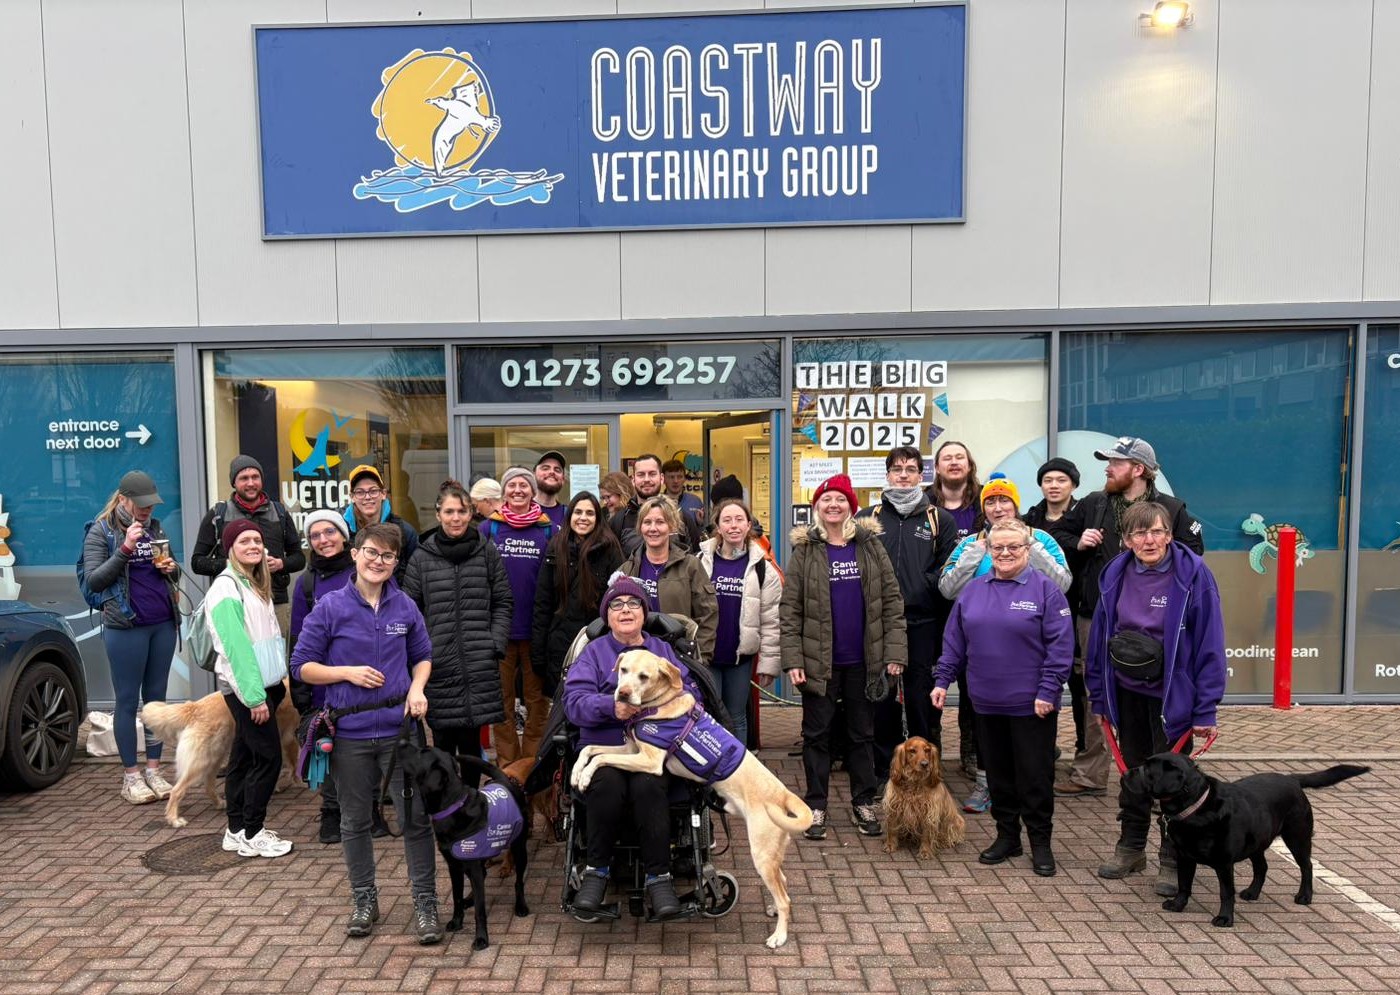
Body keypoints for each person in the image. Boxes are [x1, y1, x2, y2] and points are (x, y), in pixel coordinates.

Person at [290, 524, 440, 942]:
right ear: (355, 554)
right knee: (354, 821)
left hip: (399, 732)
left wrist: (416, 688)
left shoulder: (405, 606)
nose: (378, 562)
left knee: (415, 820)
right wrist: (345, 673)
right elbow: (301, 664)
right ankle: (364, 899)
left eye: (388, 556)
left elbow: (423, 656)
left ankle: (426, 904)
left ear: (395, 563)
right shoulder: (330, 607)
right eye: (372, 553)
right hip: (350, 732)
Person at [1086, 501, 1226, 898]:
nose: (1150, 540)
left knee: (1173, 783)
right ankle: (1130, 848)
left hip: (1174, 699)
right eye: (1140, 534)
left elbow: (1210, 645)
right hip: (1126, 694)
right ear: (1127, 540)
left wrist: (1206, 708)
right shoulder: (1115, 574)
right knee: (1133, 774)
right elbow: (1099, 640)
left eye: (1158, 531)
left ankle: (1172, 857)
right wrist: (1100, 699)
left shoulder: (1193, 576)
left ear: (1169, 534)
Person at [1060, 438, 1205, 797]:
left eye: (1115, 462)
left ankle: (1164, 785)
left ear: (1138, 469)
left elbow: (1193, 557)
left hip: (1159, 624)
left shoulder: (1172, 508)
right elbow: (1057, 533)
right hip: (1098, 617)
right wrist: (1079, 541)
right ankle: (1091, 774)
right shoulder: (1094, 504)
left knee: (1158, 706)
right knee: (1099, 696)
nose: (1107, 468)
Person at [932, 519, 1073, 877]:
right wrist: (942, 681)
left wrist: (1049, 690)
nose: (1006, 553)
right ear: (988, 550)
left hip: (1033, 705)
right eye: (998, 547)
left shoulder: (1046, 591)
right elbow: (954, 643)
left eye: (1014, 547)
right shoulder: (973, 590)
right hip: (986, 702)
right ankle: (1007, 836)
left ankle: (1041, 843)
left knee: (1035, 777)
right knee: (997, 776)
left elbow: (1061, 647)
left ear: (1028, 549)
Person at [780, 474, 906, 841]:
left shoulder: (870, 546)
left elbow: (893, 602)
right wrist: (794, 660)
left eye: (840, 500)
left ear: (851, 506)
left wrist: (894, 654)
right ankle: (815, 805)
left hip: (864, 660)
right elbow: (790, 610)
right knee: (816, 735)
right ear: (817, 506)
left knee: (862, 735)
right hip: (819, 661)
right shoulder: (805, 550)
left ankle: (863, 801)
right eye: (826, 499)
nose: (833, 505)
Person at [939, 473, 1071, 814]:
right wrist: (977, 551)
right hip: (981, 656)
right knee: (984, 727)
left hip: (1027, 662)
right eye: (991, 502)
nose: (999, 507)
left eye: (1005, 500)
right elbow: (948, 589)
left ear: (1016, 504)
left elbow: (1063, 583)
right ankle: (987, 785)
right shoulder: (970, 543)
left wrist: (1028, 545)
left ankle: (1031, 796)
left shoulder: (1040, 539)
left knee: (1029, 737)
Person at [563, 577, 693, 920]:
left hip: (653, 747)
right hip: (605, 743)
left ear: (644, 612)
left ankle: (659, 878)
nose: (625, 610)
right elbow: (573, 703)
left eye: (633, 604)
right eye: (617, 605)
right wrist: (611, 707)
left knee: (649, 785)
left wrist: (660, 705)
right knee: (606, 784)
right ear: (607, 614)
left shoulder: (662, 651)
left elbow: (692, 692)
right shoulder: (594, 653)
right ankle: (596, 872)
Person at [81, 470, 181, 805]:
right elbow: (95, 580)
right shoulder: (102, 530)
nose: (146, 511)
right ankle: (131, 776)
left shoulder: (155, 527)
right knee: (127, 701)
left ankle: (154, 769)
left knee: (156, 701)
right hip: (126, 627)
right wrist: (125, 547)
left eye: (151, 505)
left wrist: (170, 568)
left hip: (162, 622)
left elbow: (171, 569)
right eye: (140, 505)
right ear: (122, 498)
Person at [404, 479, 513, 781]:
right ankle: (446, 814)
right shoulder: (421, 558)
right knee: (441, 747)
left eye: (462, 511)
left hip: (479, 665)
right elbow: (410, 612)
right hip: (438, 667)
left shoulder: (486, 552)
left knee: (471, 750)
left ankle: (471, 809)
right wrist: (422, 654)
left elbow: (503, 600)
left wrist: (494, 643)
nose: (456, 518)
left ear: (470, 514)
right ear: (438, 514)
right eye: (449, 511)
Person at [857, 446, 958, 769]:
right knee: (882, 700)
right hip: (880, 625)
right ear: (887, 475)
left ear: (921, 475)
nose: (903, 475)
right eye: (897, 469)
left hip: (923, 622)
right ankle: (886, 767)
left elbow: (947, 569)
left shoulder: (939, 519)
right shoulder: (867, 518)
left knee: (921, 700)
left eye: (911, 469)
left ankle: (927, 768)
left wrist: (922, 586)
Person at [206, 519, 293, 858]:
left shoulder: (252, 582)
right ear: (231, 548)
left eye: (257, 540)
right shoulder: (227, 588)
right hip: (247, 691)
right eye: (245, 541)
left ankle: (236, 829)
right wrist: (255, 697)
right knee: (268, 758)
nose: (254, 546)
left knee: (242, 758)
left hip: (264, 687)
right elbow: (236, 649)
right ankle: (254, 832)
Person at [1023, 457, 1101, 800]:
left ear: (1073, 484)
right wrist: (1074, 543)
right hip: (1038, 615)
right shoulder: (1031, 518)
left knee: (1082, 686)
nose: (1054, 485)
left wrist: (1077, 542)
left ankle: (1086, 756)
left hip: (1077, 611)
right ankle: (1044, 750)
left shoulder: (1085, 516)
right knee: (1043, 684)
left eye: (1061, 480)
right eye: (1048, 480)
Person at [288, 509, 358, 844]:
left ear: (344, 535)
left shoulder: (363, 571)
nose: (323, 540)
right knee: (327, 747)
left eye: (329, 532)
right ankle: (331, 813)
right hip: (323, 685)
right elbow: (298, 639)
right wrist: (302, 695)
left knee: (363, 747)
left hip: (363, 678)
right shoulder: (306, 582)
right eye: (315, 536)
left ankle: (367, 811)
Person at [480, 466, 556, 765]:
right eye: (512, 485)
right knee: (502, 704)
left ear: (533, 490)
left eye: (524, 484)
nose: (518, 490)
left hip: (536, 631)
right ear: (504, 492)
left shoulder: (549, 529)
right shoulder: (489, 529)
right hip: (500, 632)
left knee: (538, 704)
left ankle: (532, 769)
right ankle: (509, 771)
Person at [697, 497, 782, 748]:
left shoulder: (762, 569)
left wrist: (768, 665)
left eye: (739, 520)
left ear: (748, 526)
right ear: (718, 526)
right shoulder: (700, 562)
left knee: (737, 718)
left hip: (740, 660)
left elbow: (771, 621)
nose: (733, 525)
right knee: (709, 717)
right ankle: (711, 779)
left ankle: (738, 774)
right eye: (727, 520)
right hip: (707, 657)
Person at [190, 456, 305, 642]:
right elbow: (197, 562)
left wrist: (280, 564)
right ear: (234, 482)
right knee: (237, 662)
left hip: (275, 602)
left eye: (255, 477)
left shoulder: (280, 512)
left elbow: (299, 558)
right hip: (234, 604)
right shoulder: (217, 515)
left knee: (276, 663)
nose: (251, 483)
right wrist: (234, 565)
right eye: (244, 478)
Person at [532, 491, 624, 698]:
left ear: (598, 519)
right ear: (570, 515)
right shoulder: (556, 546)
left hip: (597, 641)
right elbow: (542, 602)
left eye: (590, 513)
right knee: (562, 706)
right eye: (578, 512)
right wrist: (538, 652)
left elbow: (618, 601)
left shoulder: (611, 549)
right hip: (559, 642)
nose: (583, 518)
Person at [619, 496, 718, 663]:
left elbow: (707, 615)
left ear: (671, 526)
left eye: (660, 522)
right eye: (647, 522)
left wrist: (699, 658)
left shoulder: (691, 566)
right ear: (640, 527)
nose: (653, 528)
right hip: (637, 661)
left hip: (678, 659)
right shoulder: (627, 569)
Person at [609, 454, 703, 555]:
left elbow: (695, 558)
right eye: (641, 474)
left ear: (662, 478)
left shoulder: (680, 517)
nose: (646, 479)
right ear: (633, 480)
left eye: (652, 474)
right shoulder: (619, 521)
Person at [341, 464, 419, 583]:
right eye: (360, 492)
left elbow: (415, 577)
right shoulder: (341, 531)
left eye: (373, 491)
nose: (367, 497)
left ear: (383, 494)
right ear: (352, 497)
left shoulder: (405, 532)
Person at [927, 440, 983, 540]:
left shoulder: (987, 501)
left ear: (970, 466)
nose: (954, 462)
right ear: (937, 468)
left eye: (959, 457)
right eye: (947, 458)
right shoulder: (923, 504)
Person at [534, 451, 569, 530]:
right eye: (545, 468)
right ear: (533, 475)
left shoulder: (569, 515)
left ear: (563, 480)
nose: (552, 472)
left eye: (557, 470)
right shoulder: (521, 510)